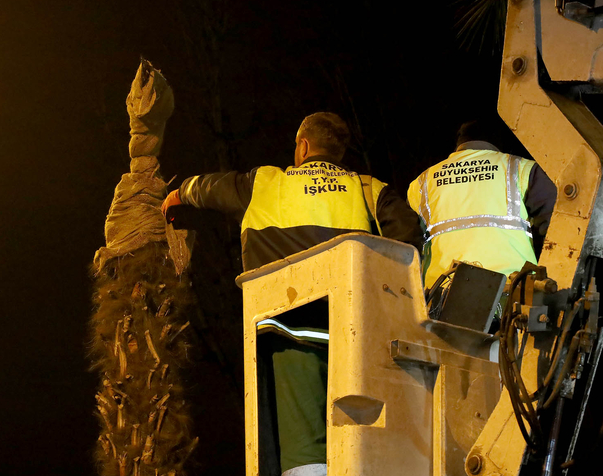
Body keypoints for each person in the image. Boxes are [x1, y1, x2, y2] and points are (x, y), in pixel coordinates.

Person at [162, 112, 422, 476]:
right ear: (340, 151)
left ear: (302, 146)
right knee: (361, 440)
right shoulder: (368, 189)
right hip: (356, 334)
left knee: (305, 448)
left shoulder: (265, 183)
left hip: (290, 333)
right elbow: (409, 238)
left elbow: (208, 188)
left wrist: (177, 194)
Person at [406, 118, 556, 292]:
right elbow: (556, 232)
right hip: (511, 292)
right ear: (497, 142)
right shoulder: (520, 168)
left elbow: (410, 240)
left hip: (440, 293)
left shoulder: (421, 182)